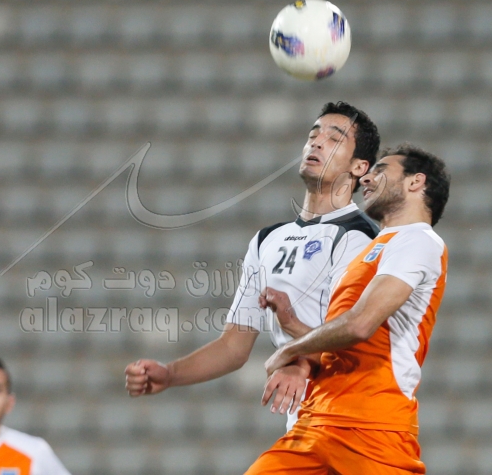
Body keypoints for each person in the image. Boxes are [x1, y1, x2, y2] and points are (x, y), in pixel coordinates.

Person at [125, 101, 380, 430]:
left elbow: (354, 339)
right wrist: (170, 374)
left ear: (359, 167)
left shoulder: (359, 237)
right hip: (306, 418)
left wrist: (299, 363)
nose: (317, 142)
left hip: (354, 412)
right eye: (313, 135)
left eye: (334, 138)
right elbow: (234, 345)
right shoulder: (268, 240)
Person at [247, 144, 451, 474]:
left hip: (371, 427)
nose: (366, 178)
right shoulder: (375, 248)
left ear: (416, 182)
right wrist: (292, 322)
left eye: (381, 171)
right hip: (317, 422)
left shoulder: (419, 240)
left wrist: (289, 350)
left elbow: (360, 325)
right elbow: (346, 343)